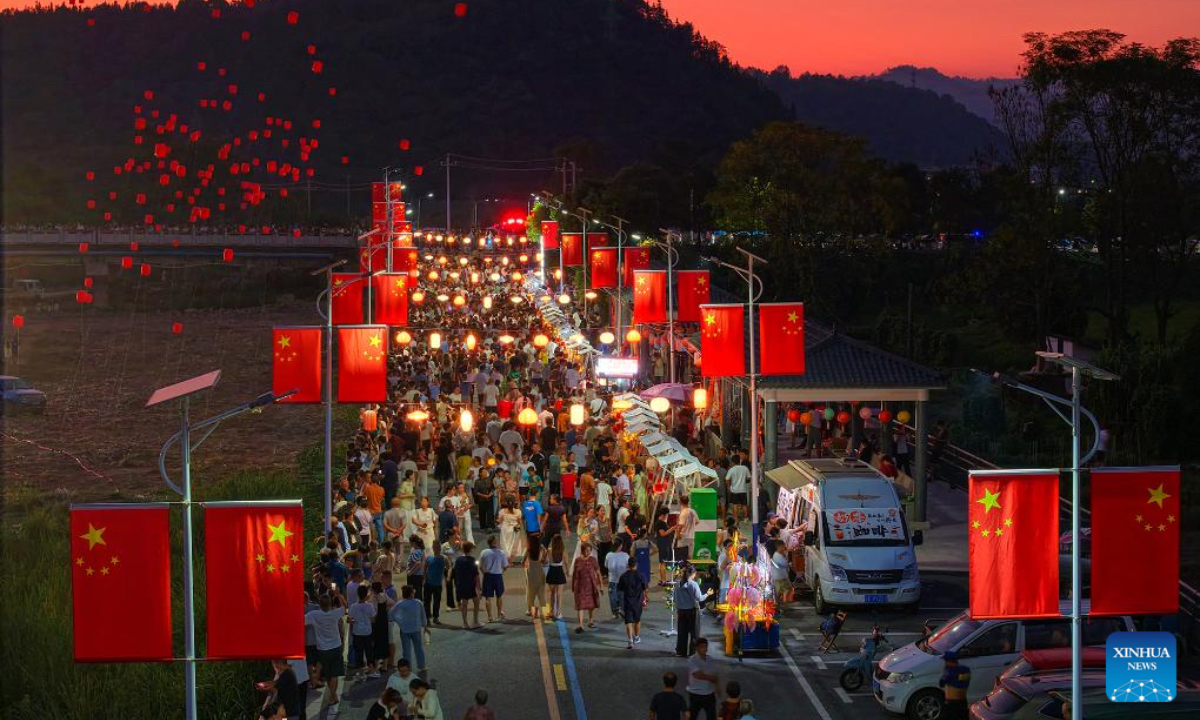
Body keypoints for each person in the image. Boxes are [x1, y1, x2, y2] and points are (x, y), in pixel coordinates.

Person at [305, 593, 346, 714]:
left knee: (328, 674)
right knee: (334, 674)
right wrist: (338, 594)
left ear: (319, 604)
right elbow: (345, 605)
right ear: (330, 604)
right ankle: (333, 695)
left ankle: (333, 695)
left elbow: (300, 621)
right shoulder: (335, 613)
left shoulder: (314, 615)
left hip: (323, 649)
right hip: (336, 647)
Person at [673, 563, 710, 657]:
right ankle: (693, 653)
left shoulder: (677, 584)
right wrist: (708, 594)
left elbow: (675, 599)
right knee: (694, 633)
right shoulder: (693, 584)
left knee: (682, 632)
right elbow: (699, 598)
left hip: (681, 611)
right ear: (694, 574)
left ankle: (680, 651)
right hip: (692, 611)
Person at [390, 584, 428, 673]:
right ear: (411, 593)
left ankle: (408, 668)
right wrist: (425, 626)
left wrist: (399, 621)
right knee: (419, 648)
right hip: (416, 629)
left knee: (406, 651)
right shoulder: (418, 602)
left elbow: (391, 615)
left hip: (404, 630)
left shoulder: (400, 603)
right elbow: (423, 616)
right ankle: (422, 665)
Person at [570, 541, 602, 633]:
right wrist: (573, 585)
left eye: (589, 551)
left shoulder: (593, 560)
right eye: (586, 551)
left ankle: (590, 620)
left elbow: (598, 573)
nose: (588, 553)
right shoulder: (577, 560)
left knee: (591, 604)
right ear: (582, 550)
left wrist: (601, 586)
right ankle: (580, 625)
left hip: (591, 585)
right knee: (580, 606)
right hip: (579, 586)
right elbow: (574, 574)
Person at [617, 557, 648, 649]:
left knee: (628, 622)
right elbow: (645, 588)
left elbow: (620, 589)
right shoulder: (641, 575)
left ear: (628, 565)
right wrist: (645, 598)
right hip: (638, 602)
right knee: (637, 620)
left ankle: (630, 640)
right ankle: (637, 637)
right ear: (636, 565)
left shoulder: (623, 576)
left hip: (627, 601)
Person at [348, 584, 379, 679]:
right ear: (366, 594)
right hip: (367, 631)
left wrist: (355, 621)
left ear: (358, 594)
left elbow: (350, 620)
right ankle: (372, 670)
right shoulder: (369, 606)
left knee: (359, 653)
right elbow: (373, 619)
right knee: (369, 652)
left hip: (357, 632)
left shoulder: (353, 606)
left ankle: (360, 673)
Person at [687, 637, 720, 720]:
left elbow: (714, 675)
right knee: (692, 716)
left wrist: (717, 686)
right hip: (695, 694)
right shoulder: (692, 660)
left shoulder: (711, 660)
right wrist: (712, 678)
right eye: (702, 647)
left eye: (706, 646)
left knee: (712, 717)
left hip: (709, 694)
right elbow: (698, 675)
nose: (705, 649)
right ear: (697, 648)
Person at [479, 534, 509, 622]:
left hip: (488, 576)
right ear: (494, 542)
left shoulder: (484, 552)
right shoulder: (501, 553)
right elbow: (506, 566)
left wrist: (484, 573)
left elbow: (480, 566)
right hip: (498, 576)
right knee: (499, 596)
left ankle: (490, 617)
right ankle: (499, 614)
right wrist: (501, 572)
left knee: (488, 597)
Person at [454, 541, 483, 629]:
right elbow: (476, 575)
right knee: (476, 602)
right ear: (470, 549)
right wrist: (479, 588)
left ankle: (465, 623)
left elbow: (456, 572)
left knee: (464, 603)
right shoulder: (472, 560)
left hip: (461, 584)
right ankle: (475, 621)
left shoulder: (458, 560)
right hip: (471, 585)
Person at [939, 650, 971, 720]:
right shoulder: (965, 670)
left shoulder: (950, 672)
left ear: (949, 661)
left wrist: (945, 673)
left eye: (946, 661)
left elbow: (941, 683)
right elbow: (964, 683)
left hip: (952, 703)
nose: (945, 663)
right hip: (962, 701)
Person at [605, 537, 631, 618]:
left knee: (612, 597)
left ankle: (615, 612)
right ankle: (622, 610)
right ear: (620, 546)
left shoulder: (609, 555)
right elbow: (629, 566)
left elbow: (605, 565)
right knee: (622, 596)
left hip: (612, 580)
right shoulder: (625, 555)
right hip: (622, 580)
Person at [423, 540, 446, 625]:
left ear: (440, 548)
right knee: (427, 601)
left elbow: (449, 566)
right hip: (429, 583)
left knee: (437, 601)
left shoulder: (443, 558)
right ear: (433, 548)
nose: (437, 548)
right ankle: (427, 618)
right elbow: (424, 568)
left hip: (438, 584)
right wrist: (425, 579)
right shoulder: (429, 558)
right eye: (435, 547)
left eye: (438, 547)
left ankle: (435, 617)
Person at [546, 534, 568, 619]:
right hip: (559, 571)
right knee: (559, 594)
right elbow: (566, 562)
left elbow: (546, 561)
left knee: (552, 593)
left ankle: (551, 611)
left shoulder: (549, 550)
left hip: (551, 571)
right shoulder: (563, 551)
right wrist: (567, 572)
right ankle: (558, 612)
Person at [525, 539, 547, 619]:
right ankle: (545, 613)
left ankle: (532, 612)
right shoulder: (541, 550)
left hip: (531, 574)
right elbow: (544, 560)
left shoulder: (529, 550)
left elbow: (523, 561)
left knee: (531, 594)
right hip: (540, 573)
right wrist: (543, 549)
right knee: (542, 595)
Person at [653, 506, 674, 585]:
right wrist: (671, 529)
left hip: (663, 543)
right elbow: (663, 534)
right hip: (663, 543)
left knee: (661, 562)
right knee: (663, 562)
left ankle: (662, 579)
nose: (666, 516)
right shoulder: (660, 523)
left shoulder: (660, 522)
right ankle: (664, 580)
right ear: (663, 515)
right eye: (666, 515)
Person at [675, 496, 698, 562]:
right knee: (690, 556)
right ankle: (690, 571)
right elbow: (697, 521)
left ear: (681, 502)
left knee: (681, 556)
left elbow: (681, 525)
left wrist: (678, 534)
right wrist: (691, 526)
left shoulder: (683, 512)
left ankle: (682, 571)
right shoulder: (693, 511)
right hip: (691, 537)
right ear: (688, 502)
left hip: (684, 537)